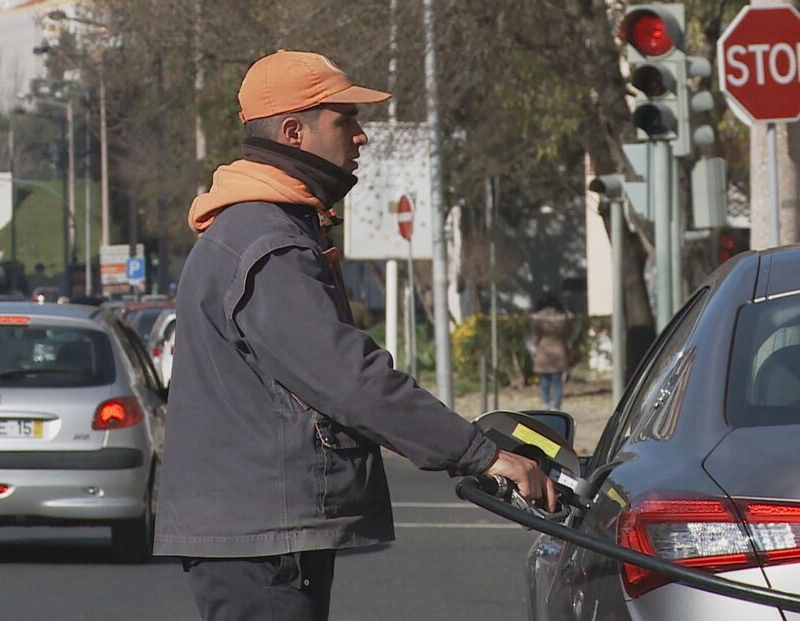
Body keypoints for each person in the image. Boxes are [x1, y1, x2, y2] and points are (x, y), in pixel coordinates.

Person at [153, 49, 555, 621]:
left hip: (260, 532)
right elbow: (349, 378)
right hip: (266, 539)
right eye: (345, 120)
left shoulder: (258, 228)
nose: (362, 137)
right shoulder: (268, 241)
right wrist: (479, 454)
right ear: (294, 131)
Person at [530, 295, 573, 410]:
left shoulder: (539, 320)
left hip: (544, 352)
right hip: (559, 351)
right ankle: (557, 405)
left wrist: (533, 345)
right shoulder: (564, 319)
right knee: (557, 381)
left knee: (544, 381)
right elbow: (568, 334)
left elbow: (535, 337)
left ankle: (545, 403)